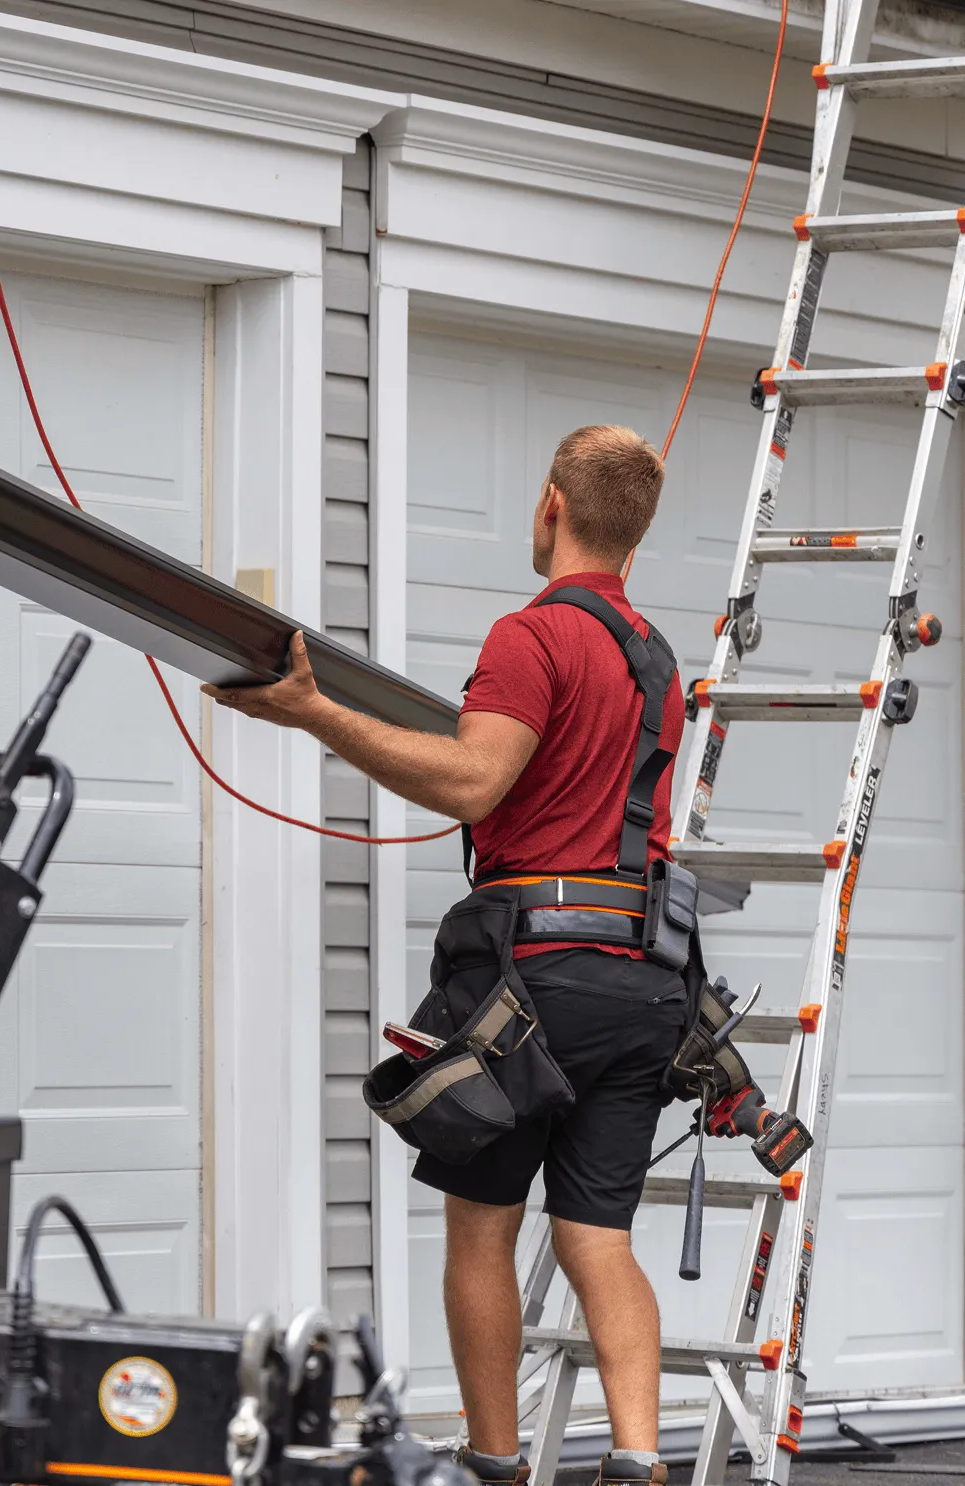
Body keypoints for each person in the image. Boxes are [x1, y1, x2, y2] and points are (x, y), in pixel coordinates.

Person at [205, 424, 689, 1486]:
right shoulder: (657, 660)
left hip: (537, 984)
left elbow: (476, 781)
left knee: (481, 1227)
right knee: (596, 1237)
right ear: (635, 533)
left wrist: (314, 712)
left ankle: (495, 1468)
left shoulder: (532, 636)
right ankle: (642, 1459)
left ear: (551, 505)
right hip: (644, 977)